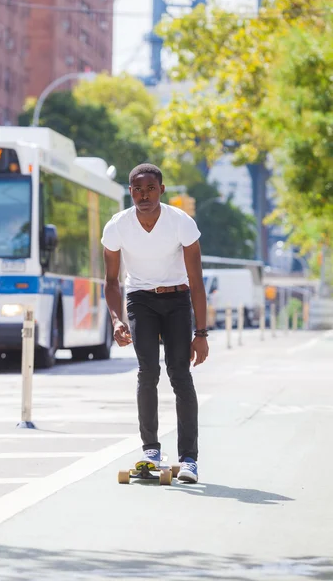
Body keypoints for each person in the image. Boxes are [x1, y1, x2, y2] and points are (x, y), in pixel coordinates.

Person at [101, 163, 209, 483]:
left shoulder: (181, 223)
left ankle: (189, 458)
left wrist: (200, 333)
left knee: (179, 373)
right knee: (148, 370)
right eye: (137, 189)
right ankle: (151, 450)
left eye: (150, 188)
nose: (143, 195)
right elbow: (110, 281)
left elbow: (196, 281)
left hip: (177, 301)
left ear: (162, 191)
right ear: (130, 191)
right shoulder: (117, 226)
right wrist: (116, 319)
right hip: (140, 301)